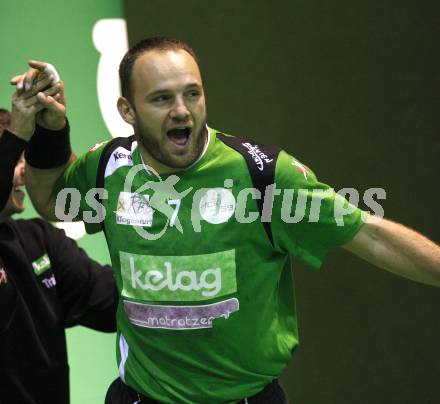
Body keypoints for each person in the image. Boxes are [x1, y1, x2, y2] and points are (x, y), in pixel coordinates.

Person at [11, 37, 440, 403]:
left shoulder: (262, 176)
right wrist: (51, 130)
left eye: (192, 93)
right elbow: (52, 203)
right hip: (140, 395)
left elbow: (372, 235)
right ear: (127, 109)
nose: (181, 111)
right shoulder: (108, 168)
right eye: (161, 98)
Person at [0, 102, 118, 401]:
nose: (24, 170)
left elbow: (115, 303)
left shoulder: (40, 241)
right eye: (14, 158)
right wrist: (16, 134)